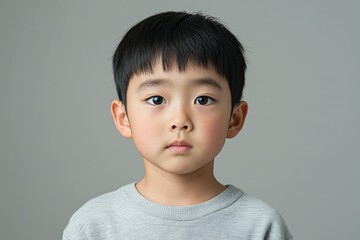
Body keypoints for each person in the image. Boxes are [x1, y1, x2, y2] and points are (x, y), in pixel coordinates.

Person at [63, 11, 292, 240]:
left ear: (235, 118)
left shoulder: (260, 225)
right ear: (124, 118)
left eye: (203, 100)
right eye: (156, 99)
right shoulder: (93, 226)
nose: (180, 120)